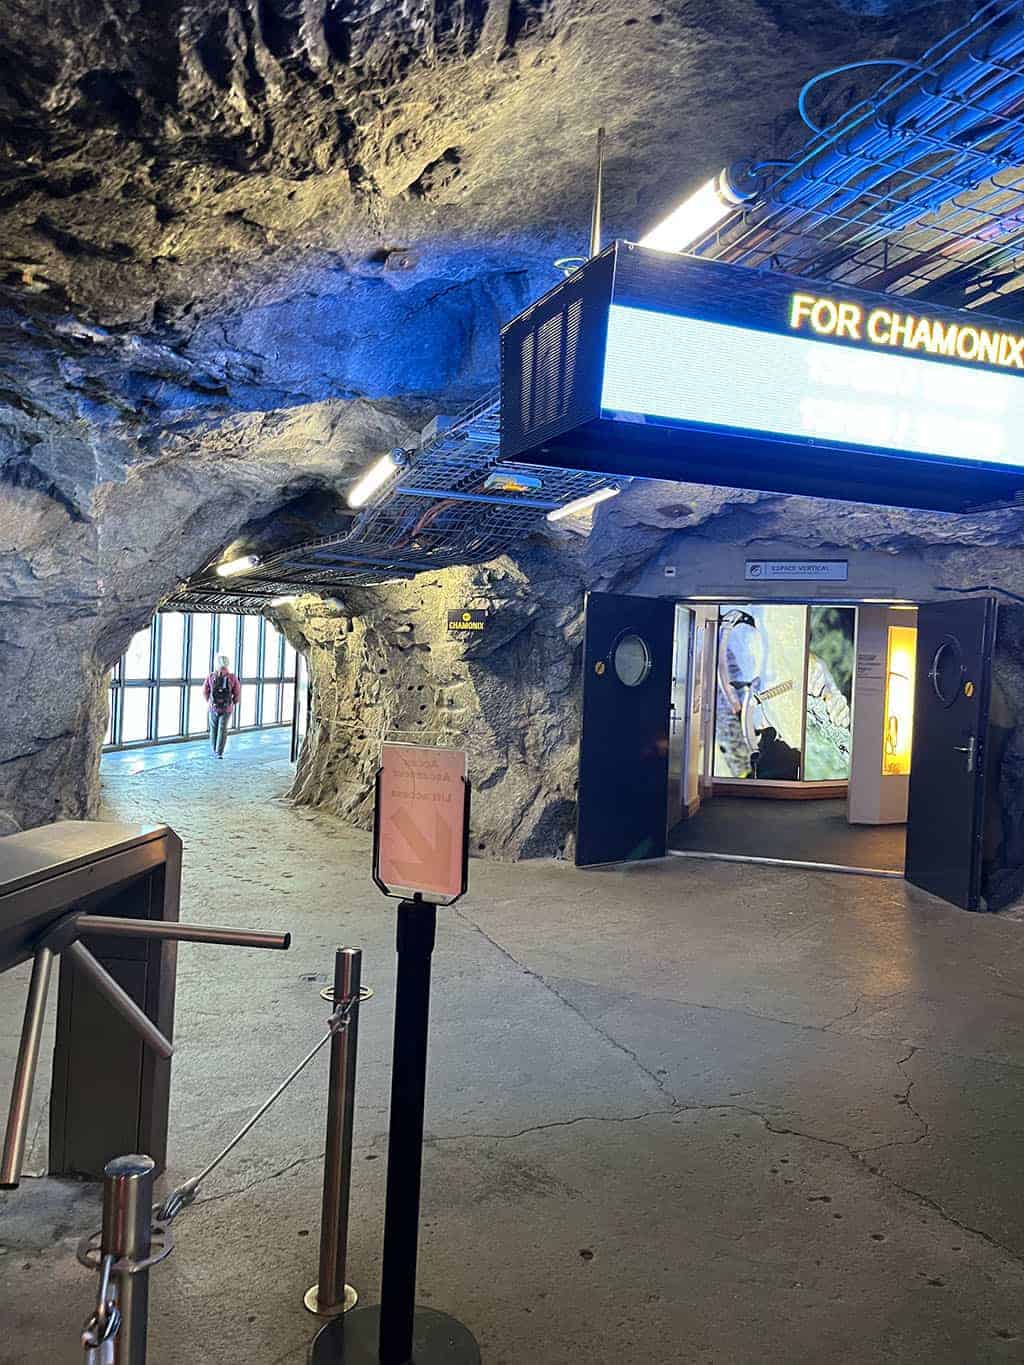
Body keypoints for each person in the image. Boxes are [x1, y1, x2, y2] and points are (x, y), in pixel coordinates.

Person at [203, 654, 241, 758]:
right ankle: (219, 752)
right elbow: (237, 692)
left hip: (213, 707)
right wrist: (233, 702)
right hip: (226, 708)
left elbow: (205, 691)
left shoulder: (211, 676)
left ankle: (214, 749)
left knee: (213, 728)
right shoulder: (232, 677)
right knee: (222, 729)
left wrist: (209, 701)